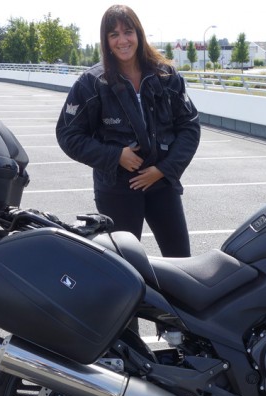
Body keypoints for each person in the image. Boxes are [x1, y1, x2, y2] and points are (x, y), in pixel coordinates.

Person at [56, 4, 200, 257]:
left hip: (162, 183)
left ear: (139, 34)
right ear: (106, 41)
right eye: (114, 35)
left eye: (128, 32)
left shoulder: (166, 76)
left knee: (181, 260)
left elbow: (189, 127)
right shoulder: (91, 83)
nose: (122, 40)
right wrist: (115, 156)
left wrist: (163, 170)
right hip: (116, 189)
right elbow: (68, 135)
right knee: (125, 267)